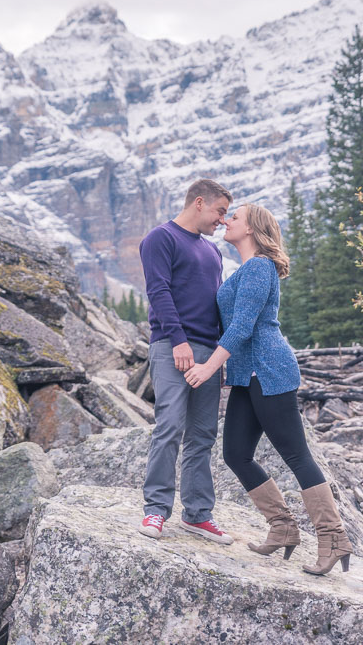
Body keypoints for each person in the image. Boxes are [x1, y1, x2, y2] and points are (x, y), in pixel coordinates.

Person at [185, 203, 353, 575]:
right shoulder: (245, 270)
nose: (227, 221)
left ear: (252, 229)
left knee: (296, 455)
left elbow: (243, 325)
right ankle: (283, 527)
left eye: (235, 218)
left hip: (269, 369)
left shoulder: (260, 267)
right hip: (247, 375)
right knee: (235, 453)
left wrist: (208, 367)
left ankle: (334, 536)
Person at [138, 178, 234, 544]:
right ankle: (155, 511)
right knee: (170, 426)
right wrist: (178, 341)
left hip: (209, 353)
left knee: (203, 434)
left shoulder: (212, 252)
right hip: (172, 346)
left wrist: (219, 360)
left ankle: (197, 514)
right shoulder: (161, 238)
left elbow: (217, 304)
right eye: (219, 212)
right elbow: (158, 290)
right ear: (198, 202)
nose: (222, 221)